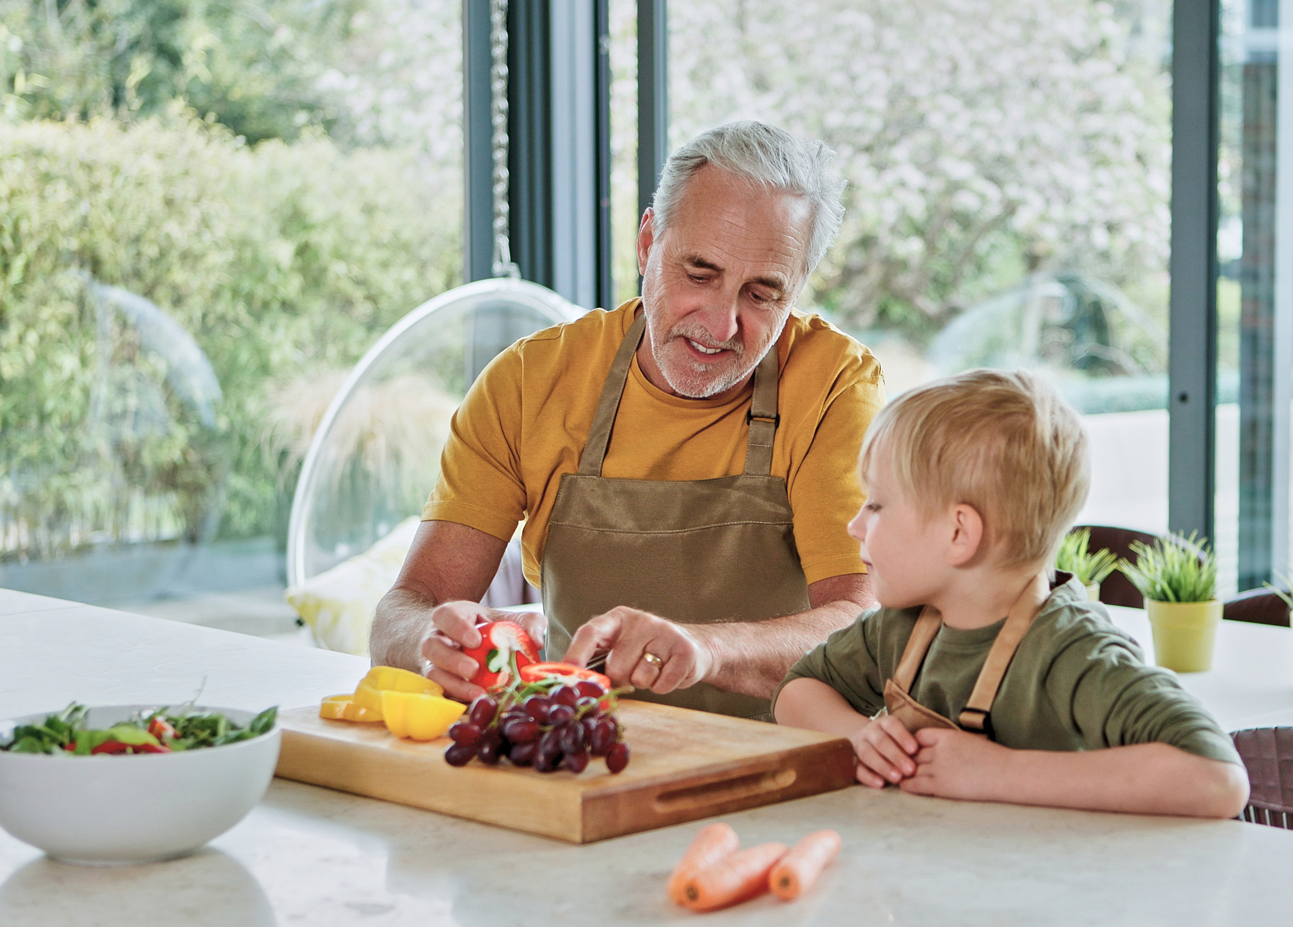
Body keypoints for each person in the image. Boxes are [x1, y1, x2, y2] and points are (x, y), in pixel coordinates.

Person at [369, 121, 886, 719]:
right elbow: (410, 603)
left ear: (796, 289)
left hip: (779, 763)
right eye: (699, 274)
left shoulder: (833, 385)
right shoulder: (530, 382)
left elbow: (863, 633)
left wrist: (706, 649)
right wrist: (430, 645)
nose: (720, 325)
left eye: (762, 294)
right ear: (647, 243)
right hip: (578, 747)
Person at [774, 370, 1249, 818]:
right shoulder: (903, 623)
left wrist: (998, 772)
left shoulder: (1073, 652)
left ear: (959, 533)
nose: (854, 525)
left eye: (876, 504)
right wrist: (857, 735)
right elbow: (796, 692)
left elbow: (1218, 780)